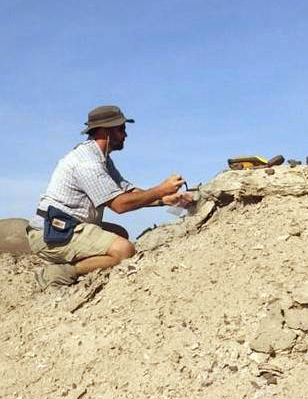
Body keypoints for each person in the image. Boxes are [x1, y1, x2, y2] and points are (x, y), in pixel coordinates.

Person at [27, 105, 195, 289]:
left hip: (67, 226)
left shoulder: (102, 158)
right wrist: (160, 190)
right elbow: (119, 205)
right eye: (121, 129)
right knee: (124, 250)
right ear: (105, 131)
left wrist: (164, 200)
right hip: (52, 233)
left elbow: (128, 192)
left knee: (120, 234)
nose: (125, 135)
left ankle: (77, 263)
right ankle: (59, 273)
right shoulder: (87, 163)